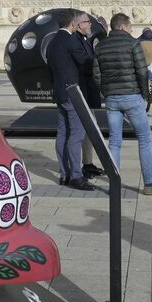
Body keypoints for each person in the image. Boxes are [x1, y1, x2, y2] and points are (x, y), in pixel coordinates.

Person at [94, 14, 152, 195]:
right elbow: (142, 71)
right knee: (144, 140)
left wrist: (106, 92)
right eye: (130, 27)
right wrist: (144, 94)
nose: (131, 30)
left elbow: (97, 75)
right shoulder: (132, 43)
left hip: (112, 98)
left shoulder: (100, 46)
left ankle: (114, 184)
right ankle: (150, 183)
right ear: (123, 27)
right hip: (132, 96)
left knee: (115, 142)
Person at [46, 10, 99, 189]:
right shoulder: (70, 41)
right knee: (77, 133)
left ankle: (64, 174)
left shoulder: (52, 43)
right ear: (73, 24)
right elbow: (85, 63)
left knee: (63, 133)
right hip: (72, 93)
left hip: (59, 93)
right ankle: (76, 176)